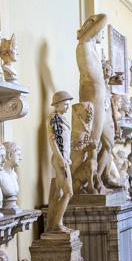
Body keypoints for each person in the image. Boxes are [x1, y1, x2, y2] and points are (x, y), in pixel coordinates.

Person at [45, 91, 74, 234]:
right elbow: (53, 140)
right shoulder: (53, 118)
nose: (67, 107)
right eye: (65, 104)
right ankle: (58, 224)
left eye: (68, 104)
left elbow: (65, 142)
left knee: (58, 193)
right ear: (56, 104)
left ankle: (52, 225)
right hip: (60, 160)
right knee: (69, 192)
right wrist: (61, 159)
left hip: (64, 159)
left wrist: (66, 157)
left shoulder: (62, 118)